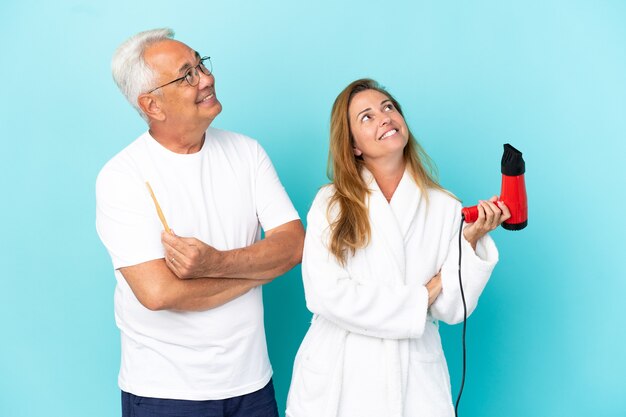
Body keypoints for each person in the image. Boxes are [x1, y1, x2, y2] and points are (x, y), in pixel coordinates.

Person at [96, 28, 304, 417]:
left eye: (200, 64)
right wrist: (262, 268)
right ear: (152, 106)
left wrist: (215, 264)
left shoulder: (247, 152)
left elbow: (293, 246)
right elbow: (159, 293)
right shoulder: (121, 175)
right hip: (164, 392)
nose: (206, 78)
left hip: (253, 384)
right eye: (186, 74)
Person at [285, 79, 510, 417]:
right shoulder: (331, 203)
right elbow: (325, 294)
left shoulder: (445, 207)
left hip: (413, 381)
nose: (384, 117)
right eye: (367, 117)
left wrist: (470, 241)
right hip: (341, 376)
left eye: (388, 107)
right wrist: (425, 293)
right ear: (354, 146)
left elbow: (451, 310)